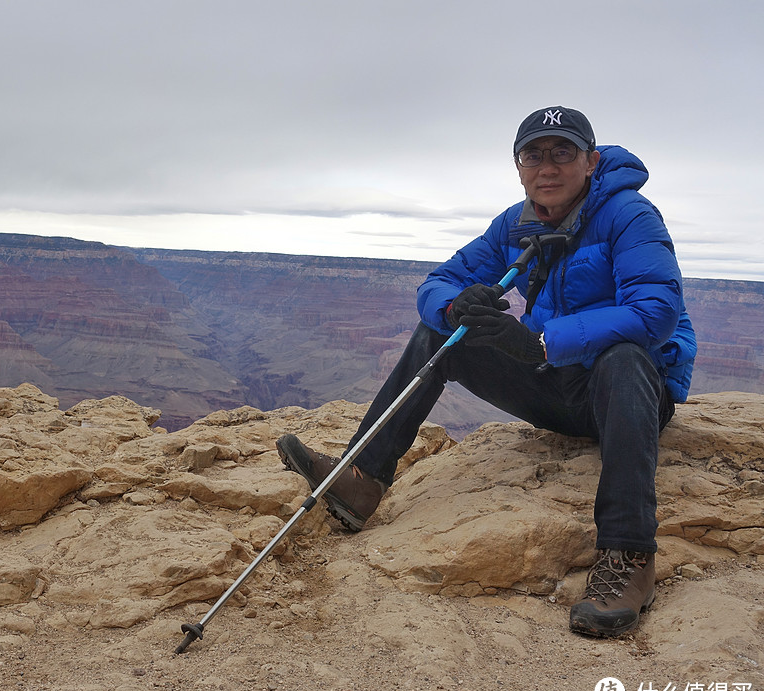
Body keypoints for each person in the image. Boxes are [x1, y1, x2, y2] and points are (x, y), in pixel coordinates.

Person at [276, 105, 696, 638]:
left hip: (632, 395)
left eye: (562, 152)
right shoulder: (515, 223)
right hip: (560, 387)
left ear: (590, 162)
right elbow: (440, 279)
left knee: (625, 355)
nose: (547, 167)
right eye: (533, 155)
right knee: (440, 335)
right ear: (518, 168)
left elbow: (653, 313)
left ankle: (628, 555)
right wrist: (455, 306)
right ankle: (361, 481)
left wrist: (541, 342)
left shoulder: (630, 215)